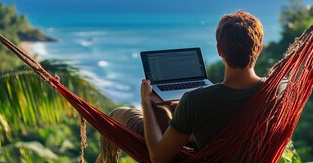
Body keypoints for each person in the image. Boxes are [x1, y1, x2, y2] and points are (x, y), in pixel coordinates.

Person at [97, 10, 265, 163]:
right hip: (230, 150)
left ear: (219, 50)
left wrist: (146, 102)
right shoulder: (277, 92)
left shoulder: (196, 100)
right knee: (163, 111)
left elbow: (158, 157)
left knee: (119, 115)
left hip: (189, 155)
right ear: (259, 49)